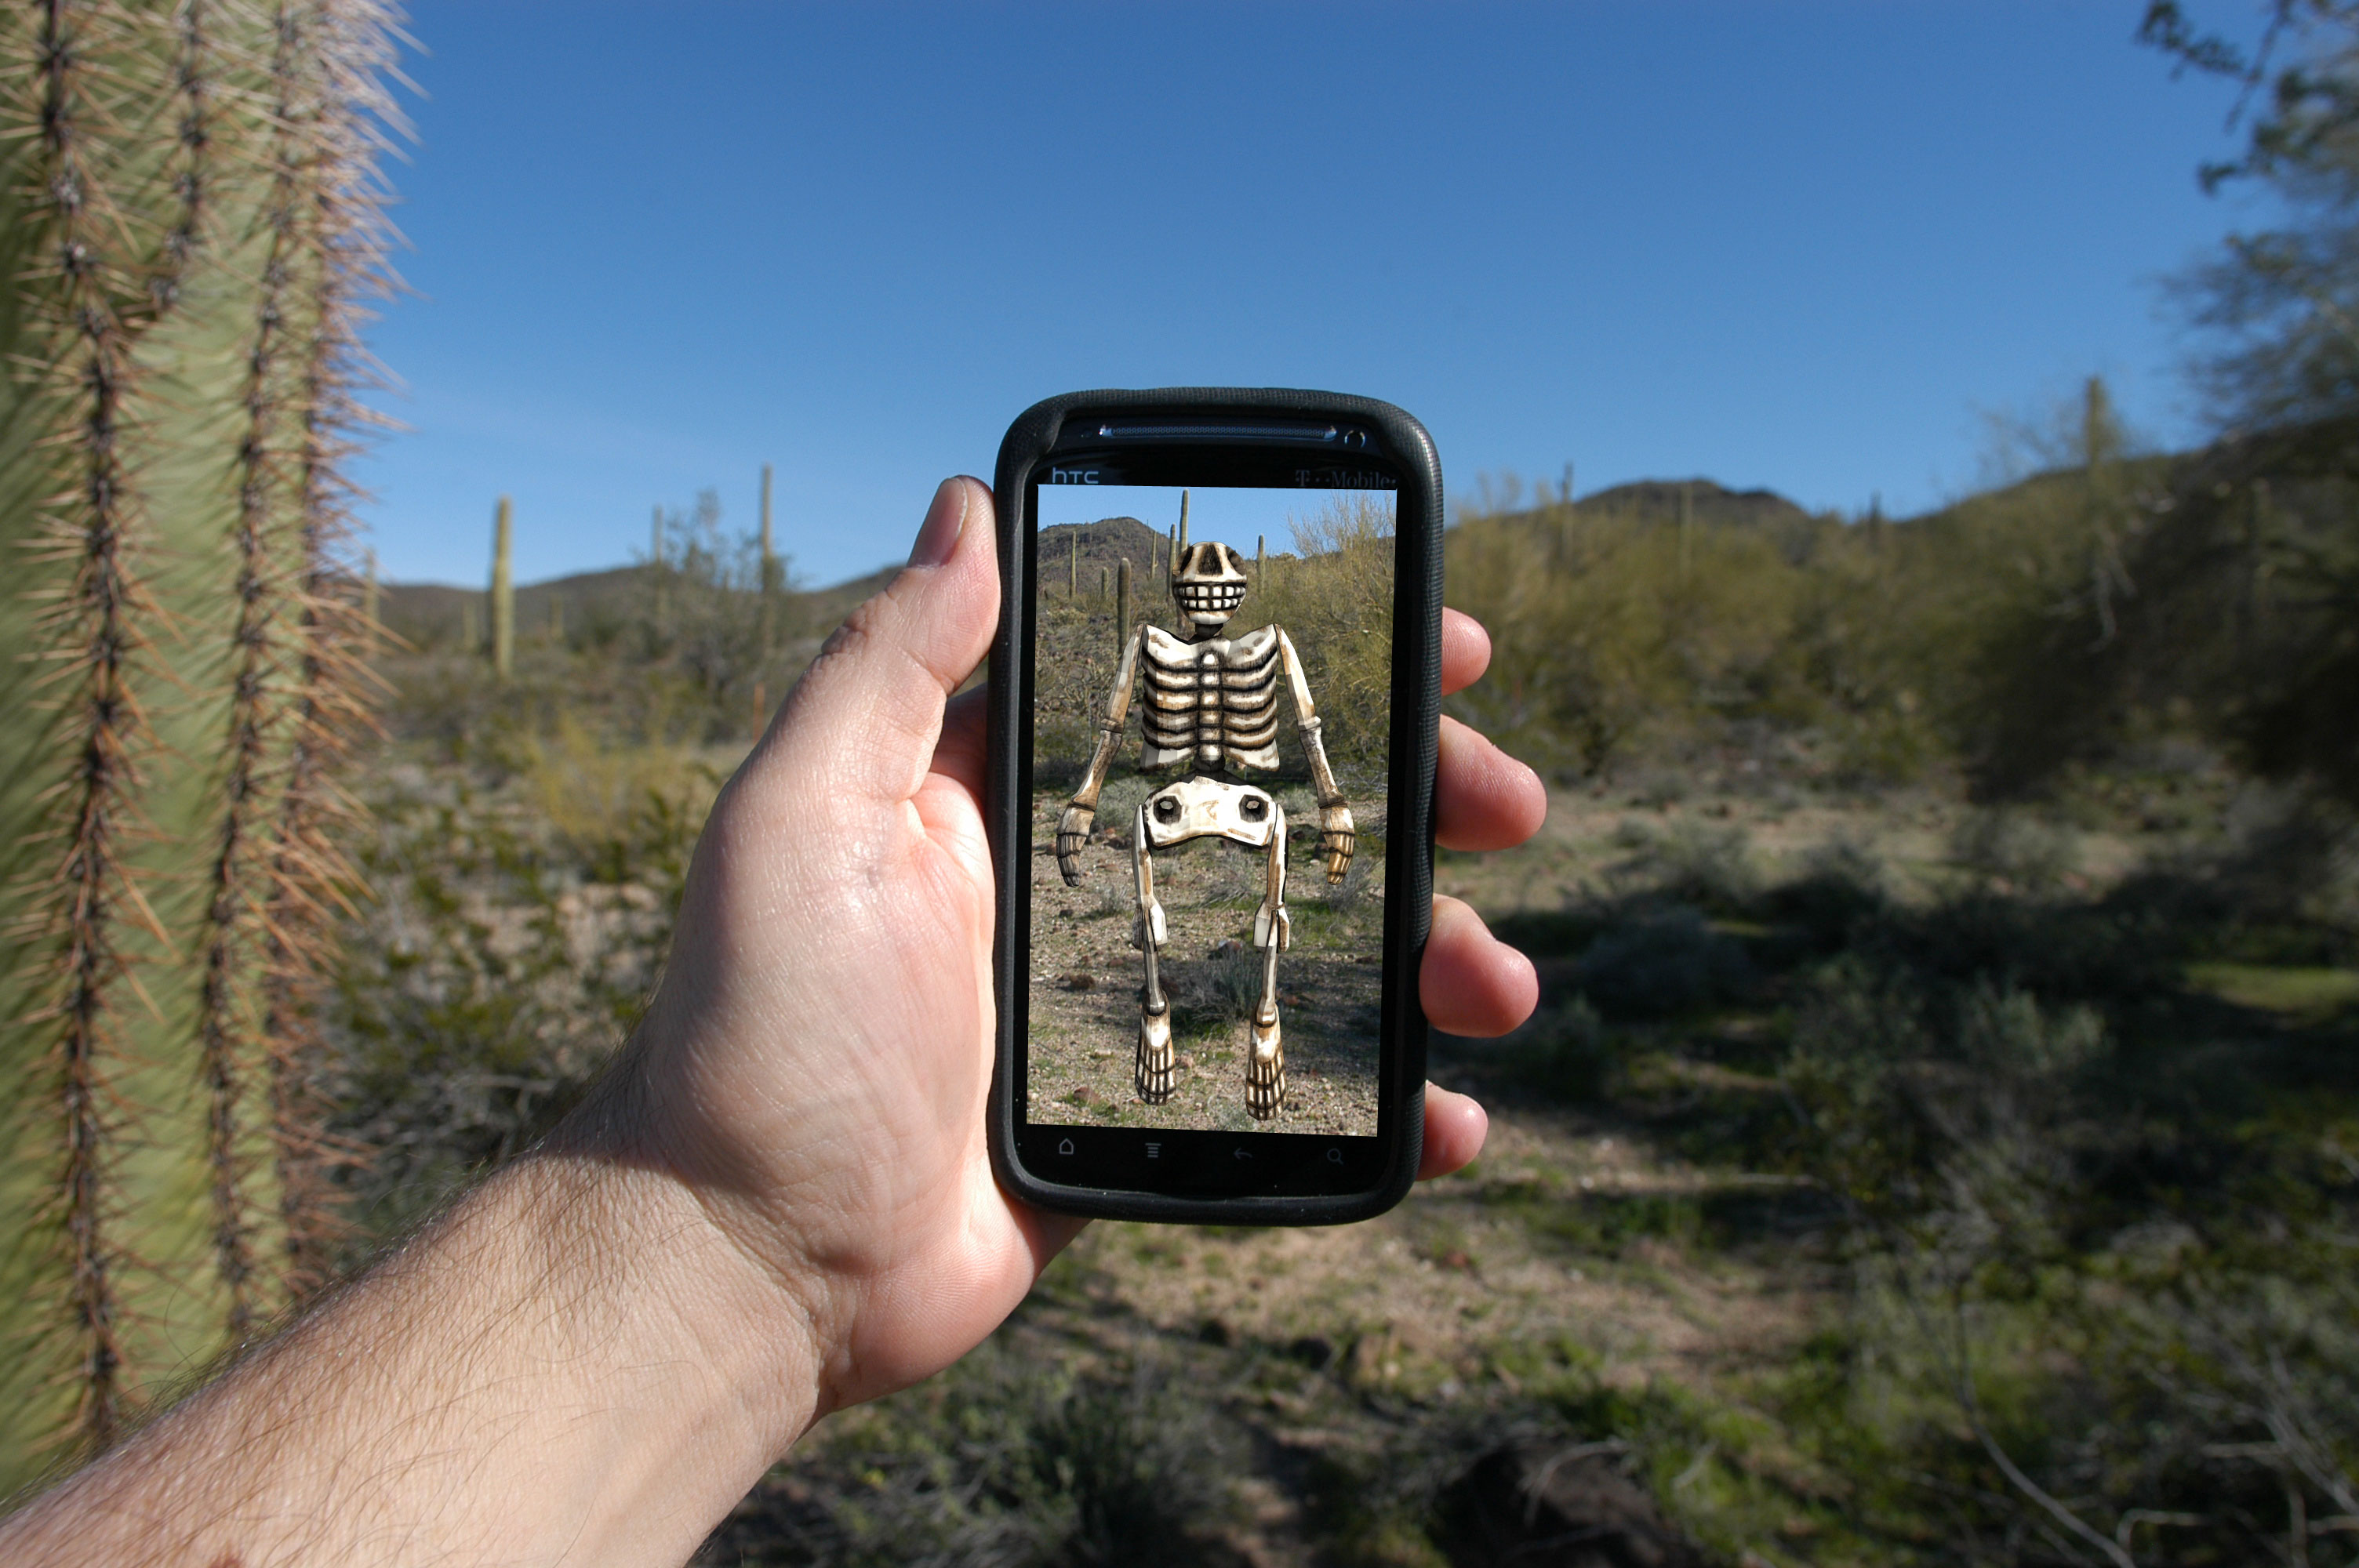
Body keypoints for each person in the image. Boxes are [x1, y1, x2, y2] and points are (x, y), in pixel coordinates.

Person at [0, 477, 1548, 1567]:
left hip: (1249, 796)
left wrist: (1337, 816)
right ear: (1180, 587)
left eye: (1222, 582)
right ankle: (1155, 1009)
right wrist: (745, 1238)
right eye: (1196, 580)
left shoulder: (1272, 653)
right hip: (1169, 802)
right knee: (1159, 861)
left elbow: (1323, 757)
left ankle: (1268, 1011)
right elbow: (1104, 763)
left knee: (1278, 870)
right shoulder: (1145, 651)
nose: (1208, 597)